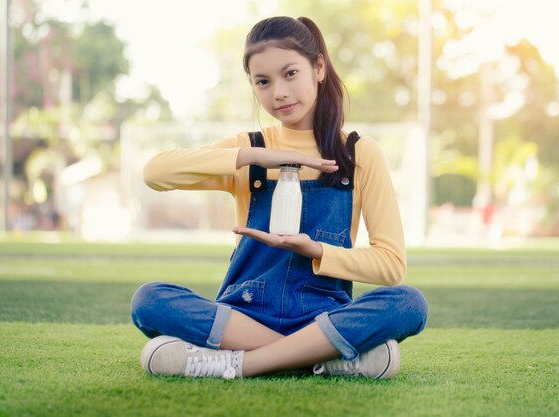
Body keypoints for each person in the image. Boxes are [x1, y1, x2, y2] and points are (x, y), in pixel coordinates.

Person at [131, 16, 428, 380]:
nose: (279, 93)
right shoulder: (250, 149)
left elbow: (391, 264)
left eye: (290, 74)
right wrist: (255, 156)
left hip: (322, 317)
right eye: (263, 82)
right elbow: (155, 173)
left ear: (318, 67)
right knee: (149, 300)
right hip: (244, 315)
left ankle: (242, 363)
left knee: (409, 304)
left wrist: (316, 251)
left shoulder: (360, 153)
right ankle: (324, 358)